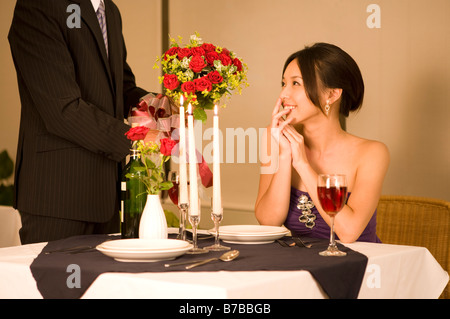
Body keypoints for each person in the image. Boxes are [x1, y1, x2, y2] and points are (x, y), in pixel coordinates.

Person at [8, 0, 150, 244]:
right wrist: (143, 139)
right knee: (57, 283)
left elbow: (121, 89)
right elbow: (62, 110)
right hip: (58, 198)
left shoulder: (111, 12)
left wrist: (154, 104)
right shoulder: (37, 5)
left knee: (109, 283)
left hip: (106, 196)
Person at [255, 43, 389, 243]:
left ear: (332, 94)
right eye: (283, 83)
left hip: (360, 266)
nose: (283, 94)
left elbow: (348, 232)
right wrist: (284, 156)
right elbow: (268, 222)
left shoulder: (372, 153)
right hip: (302, 266)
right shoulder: (274, 136)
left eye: (296, 84)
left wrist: (302, 164)